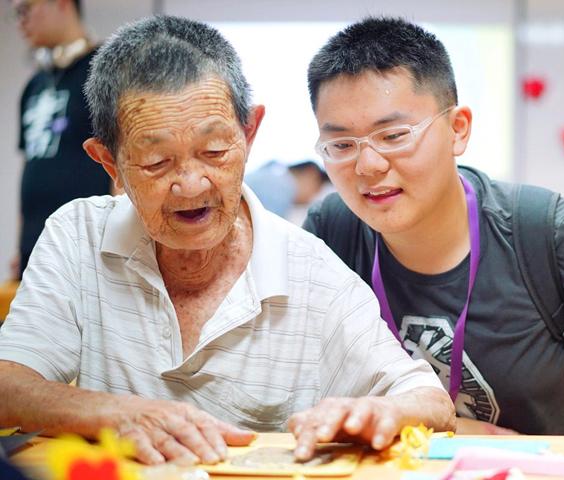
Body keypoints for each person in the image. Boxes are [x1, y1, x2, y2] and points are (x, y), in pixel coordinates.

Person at [0, 15, 454, 466]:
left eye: (215, 152)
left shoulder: (311, 271)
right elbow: (7, 383)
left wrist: (375, 412)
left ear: (250, 133)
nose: (192, 184)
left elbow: (429, 401)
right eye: (157, 161)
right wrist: (109, 413)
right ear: (109, 164)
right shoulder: (77, 237)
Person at [302, 17, 564, 480]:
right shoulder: (331, 234)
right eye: (341, 144)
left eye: (394, 136)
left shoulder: (550, 235)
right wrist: (455, 429)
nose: (367, 165)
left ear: (458, 129)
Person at [12, 0, 112, 280]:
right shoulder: (34, 85)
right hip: (35, 251)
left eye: (25, 9)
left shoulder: (105, 71)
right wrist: (21, 248)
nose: (21, 21)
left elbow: (124, 158)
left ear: (61, 4)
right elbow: (29, 168)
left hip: (89, 250)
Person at [246, 159, 331, 223]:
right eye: (316, 191)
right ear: (312, 174)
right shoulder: (281, 190)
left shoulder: (269, 176)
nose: (310, 200)